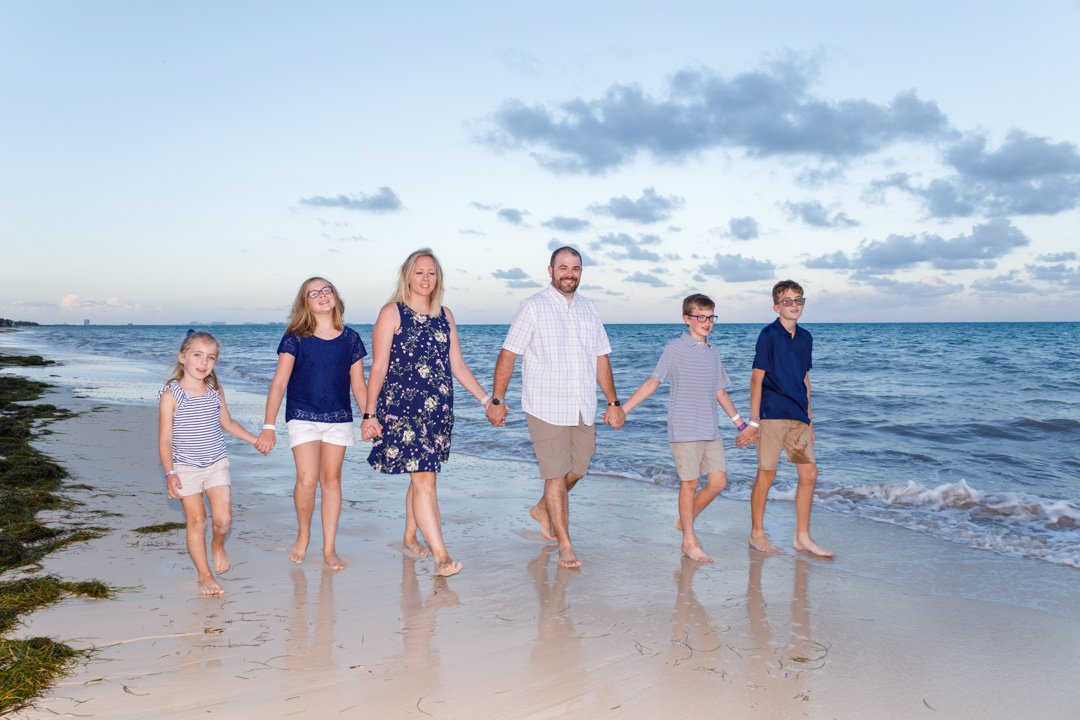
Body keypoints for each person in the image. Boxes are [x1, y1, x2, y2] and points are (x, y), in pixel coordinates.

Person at [486, 246, 625, 569]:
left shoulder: (590, 309)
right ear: (550, 271)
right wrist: (497, 399)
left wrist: (613, 402)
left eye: (575, 268)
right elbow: (509, 354)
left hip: (582, 405)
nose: (569, 274)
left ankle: (542, 508)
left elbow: (601, 358)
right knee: (555, 475)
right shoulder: (532, 307)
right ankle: (565, 543)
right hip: (545, 404)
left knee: (579, 468)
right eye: (563, 267)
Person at [362, 249, 489, 578]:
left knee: (422, 474)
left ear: (438, 278)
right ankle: (441, 555)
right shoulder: (392, 312)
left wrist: (486, 401)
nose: (425, 278)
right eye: (419, 272)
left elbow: (456, 365)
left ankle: (408, 537)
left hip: (438, 411)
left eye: (431, 272)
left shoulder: (446, 314)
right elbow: (377, 366)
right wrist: (368, 413)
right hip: (403, 409)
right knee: (425, 480)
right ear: (407, 276)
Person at [621, 293, 754, 563]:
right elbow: (653, 382)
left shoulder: (713, 351)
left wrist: (740, 424)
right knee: (689, 483)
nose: (706, 322)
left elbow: (720, 391)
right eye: (700, 317)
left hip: (711, 428)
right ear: (687, 319)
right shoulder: (674, 348)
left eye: (710, 317)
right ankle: (689, 542)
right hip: (683, 428)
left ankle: (685, 520)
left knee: (718, 482)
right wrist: (623, 409)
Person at [256, 277, 368, 570]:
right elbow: (279, 383)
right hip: (302, 414)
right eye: (313, 293)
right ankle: (303, 532)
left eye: (326, 289)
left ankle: (329, 547)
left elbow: (358, 385)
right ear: (305, 302)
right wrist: (269, 426)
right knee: (307, 480)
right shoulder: (295, 336)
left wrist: (370, 416)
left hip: (338, 417)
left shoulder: (351, 338)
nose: (321, 295)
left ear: (335, 296)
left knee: (331, 481)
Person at [157, 330, 267, 596]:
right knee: (198, 521)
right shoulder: (172, 394)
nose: (203, 362)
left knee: (223, 521)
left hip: (216, 463)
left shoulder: (215, 390)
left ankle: (218, 545)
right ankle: (204, 575)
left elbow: (226, 423)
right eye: (197, 355)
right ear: (182, 357)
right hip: (185, 468)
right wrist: (170, 472)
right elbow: (165, 440)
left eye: (211, 358)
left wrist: (255, 440)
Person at [741, 280, 833, 557]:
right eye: (787, 301)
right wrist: (754, 421)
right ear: (776, 306)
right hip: (771, 415)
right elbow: (756, 378)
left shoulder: (806, 337)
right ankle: (757, 534)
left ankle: (802, 537)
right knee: (767, 473)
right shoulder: (768, 335)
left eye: (798, 300)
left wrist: (810, 420)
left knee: (809, 474)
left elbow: (805, 378)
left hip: (798, 416)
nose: (794, 305)